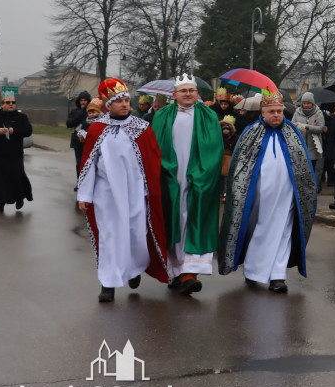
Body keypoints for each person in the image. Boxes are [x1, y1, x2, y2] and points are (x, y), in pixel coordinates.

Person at [76, 78, 170, 303]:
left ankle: (134, 269)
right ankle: (108, 284)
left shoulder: (142, 128)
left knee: (136, 234)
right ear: (109, 105)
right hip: (106, 195)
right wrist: (84, 195)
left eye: (127, 100)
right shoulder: (98, 129)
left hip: (136, 192)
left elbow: (153, 160)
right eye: (119, 101)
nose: (125, 104)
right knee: (109, 238)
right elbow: (88, 163)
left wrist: (150, 190)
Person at [218, 91, 317, 293]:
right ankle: (254, 271)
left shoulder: (293, 133)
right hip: (259, 198)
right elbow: (240, 168)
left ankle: (278, 276)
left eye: (279, 111)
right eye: (271, 111)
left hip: (287, 196)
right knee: (259, 230)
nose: (276, 115)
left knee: (284, 232)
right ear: (263, 112)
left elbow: (303, 165)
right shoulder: (251, 133)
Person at [151, 73, 225, 296]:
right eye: (183, 91)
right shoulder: (163, 115)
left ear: (197, 94)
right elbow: (155, 146)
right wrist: (168, 171)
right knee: (174, 219)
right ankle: (175, 271)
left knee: (192, 218)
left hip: (198, 179)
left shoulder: (208, 116)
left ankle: (189, 273)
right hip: (171, 178)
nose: (188, 94)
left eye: (191, 90)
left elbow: (215, 149)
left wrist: (201, 174)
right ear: (174, 95)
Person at [0, 92, 34, 213]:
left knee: (17, 177)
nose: (11, 104)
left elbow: (28, 131)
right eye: (8, 102)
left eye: (13, 102)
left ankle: (20, 198)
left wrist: (14, 131)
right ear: (2, 104)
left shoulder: (21, 117)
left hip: (15, 154)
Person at [293, 91, 326, 190]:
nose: (306, 105)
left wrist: (308, 127)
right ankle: (302, 188)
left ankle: (311, 188)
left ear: (312, 103)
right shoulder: (297, 112)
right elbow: (291, 124)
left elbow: (321, 128)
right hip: (300, 146)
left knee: (311, 169)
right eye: (304, 103)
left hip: (313, 146)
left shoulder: (318, 112)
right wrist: (296, 126)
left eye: (308, 103)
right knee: (301, 169)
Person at [66, 90, 92, 179]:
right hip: (77, 140)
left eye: (85, 100)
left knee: (88, 162)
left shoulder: (91, 112)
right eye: (81, 100)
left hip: (89, 140)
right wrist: (79, 115)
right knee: (79, 162)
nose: (83, 102)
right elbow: (69, 123)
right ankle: (79, 181)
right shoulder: (75, 112)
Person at [219, 115, 238, 202]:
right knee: (221, 178)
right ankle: (222, 192)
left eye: (227, 129)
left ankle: (225, 193)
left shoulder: (234, 138)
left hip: (228, 160)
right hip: (221, 160)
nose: (226, 131)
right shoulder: (219, 138)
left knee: (227, 178)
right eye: (224, 129)